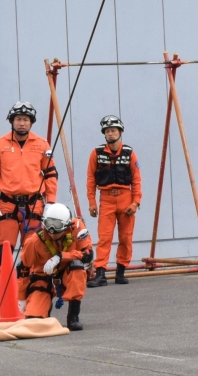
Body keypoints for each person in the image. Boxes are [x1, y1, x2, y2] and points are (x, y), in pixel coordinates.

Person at [0, 101, 58, 314]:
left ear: (31, 122)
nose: (22, 123)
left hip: (34, 204)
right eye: (18, 119)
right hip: (7, 204)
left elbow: (51, 174)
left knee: (32, 253)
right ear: (12, 121)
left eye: (26, 119)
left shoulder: (42, 145)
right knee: (3, 252)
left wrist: (51, 201)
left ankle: (29, 297)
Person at [86, 115, 142, 287]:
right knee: (104, 237)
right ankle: (100, 273)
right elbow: (90, 179)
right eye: (107, 131)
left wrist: (135, 202)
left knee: (126, 237)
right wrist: (92, 202)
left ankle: (121, 271)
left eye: (113, 130)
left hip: (125, 197)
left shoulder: (130, 153)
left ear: (120, 132)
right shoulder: (96, 153)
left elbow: (136, 180)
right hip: (106, 198)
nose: (110, 134)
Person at [18, 204, 93, 331]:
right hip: (43, 279)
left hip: (67, 276)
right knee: (33, 321)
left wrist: (61, 257)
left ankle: (73, 316)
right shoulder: (35, 240)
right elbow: (23, 268)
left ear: (66, 225)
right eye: (49, 224)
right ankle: (42, 307)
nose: (52, 231)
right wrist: (21, 297)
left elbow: (88, 255)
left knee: (77, 267)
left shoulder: (77, 228)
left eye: (57, 226)